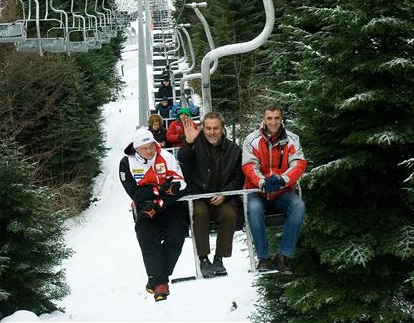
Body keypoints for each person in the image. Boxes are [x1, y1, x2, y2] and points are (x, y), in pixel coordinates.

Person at [119, 128, 188, 301]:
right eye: (145, 148)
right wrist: (161, 189)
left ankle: (157, 278)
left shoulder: (166, 156)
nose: (150, 151)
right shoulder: (126, 163)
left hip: (169, 205)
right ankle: (160, 283)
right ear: (136, 149)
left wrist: (160, 200)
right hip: (145, 206)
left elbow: (180, 185)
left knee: (178, 231)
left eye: (152, 146)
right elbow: (136, 194)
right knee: (145, 234)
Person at [242, 104, 307, 275]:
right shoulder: (251, 139)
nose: (273, 122)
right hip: (257, 191)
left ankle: (284, 255)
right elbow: (249, 165)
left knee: (298, 206)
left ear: (281, 119)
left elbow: (298, 163)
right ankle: (264, 257)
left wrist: (282, 179)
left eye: (277, 118)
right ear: (264, 119)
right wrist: (262, 182)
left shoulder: (292, 139)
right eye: (269, 118)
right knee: (254, 209)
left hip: (282, 191)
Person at [178, 112, 244, 278]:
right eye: (208, 128)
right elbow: (183, 159)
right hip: (198, 195)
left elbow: (238, 178)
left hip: (221, 197)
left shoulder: (234, 150)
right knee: (199, 213)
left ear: (222, 129)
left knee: (229, 214)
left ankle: (219, 258)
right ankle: (203, 259)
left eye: (215, 128)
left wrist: (225, 194)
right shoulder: (194, 143)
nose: (212, 132)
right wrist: (188, 143)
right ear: (203, 128)